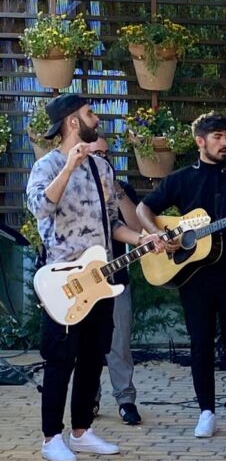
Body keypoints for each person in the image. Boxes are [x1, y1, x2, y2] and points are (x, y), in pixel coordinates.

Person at [25, 94, 163, 461]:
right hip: (61, 281)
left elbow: (113, 225)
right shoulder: (46, 166)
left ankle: (82, 431)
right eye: (89, 113)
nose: (96, 117)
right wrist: (67, 168)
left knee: (92, 357)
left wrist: (142, 239)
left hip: (101, 278)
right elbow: (39, 207)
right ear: (73, 122)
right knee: (60, 359)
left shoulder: (103, 170)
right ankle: (52, 437)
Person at [137, 112, 226, 438]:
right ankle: (206, 410)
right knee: (200, 343)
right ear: (200, 141)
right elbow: (143, 209)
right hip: (194, 277)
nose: (225, 143)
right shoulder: (180, 179)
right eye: (218, 137)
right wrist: (159, 235)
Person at [88, 135, 143, 426]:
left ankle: (125, 400)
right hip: (84, 281)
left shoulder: (122, 190)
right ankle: (89, 398)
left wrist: (118, 190)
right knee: (88, 345)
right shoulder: (78, 189)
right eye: (96, 153)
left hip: (117, 277)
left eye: (106, 154)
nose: (103, 159)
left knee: (119, 343)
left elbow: (135, 228)